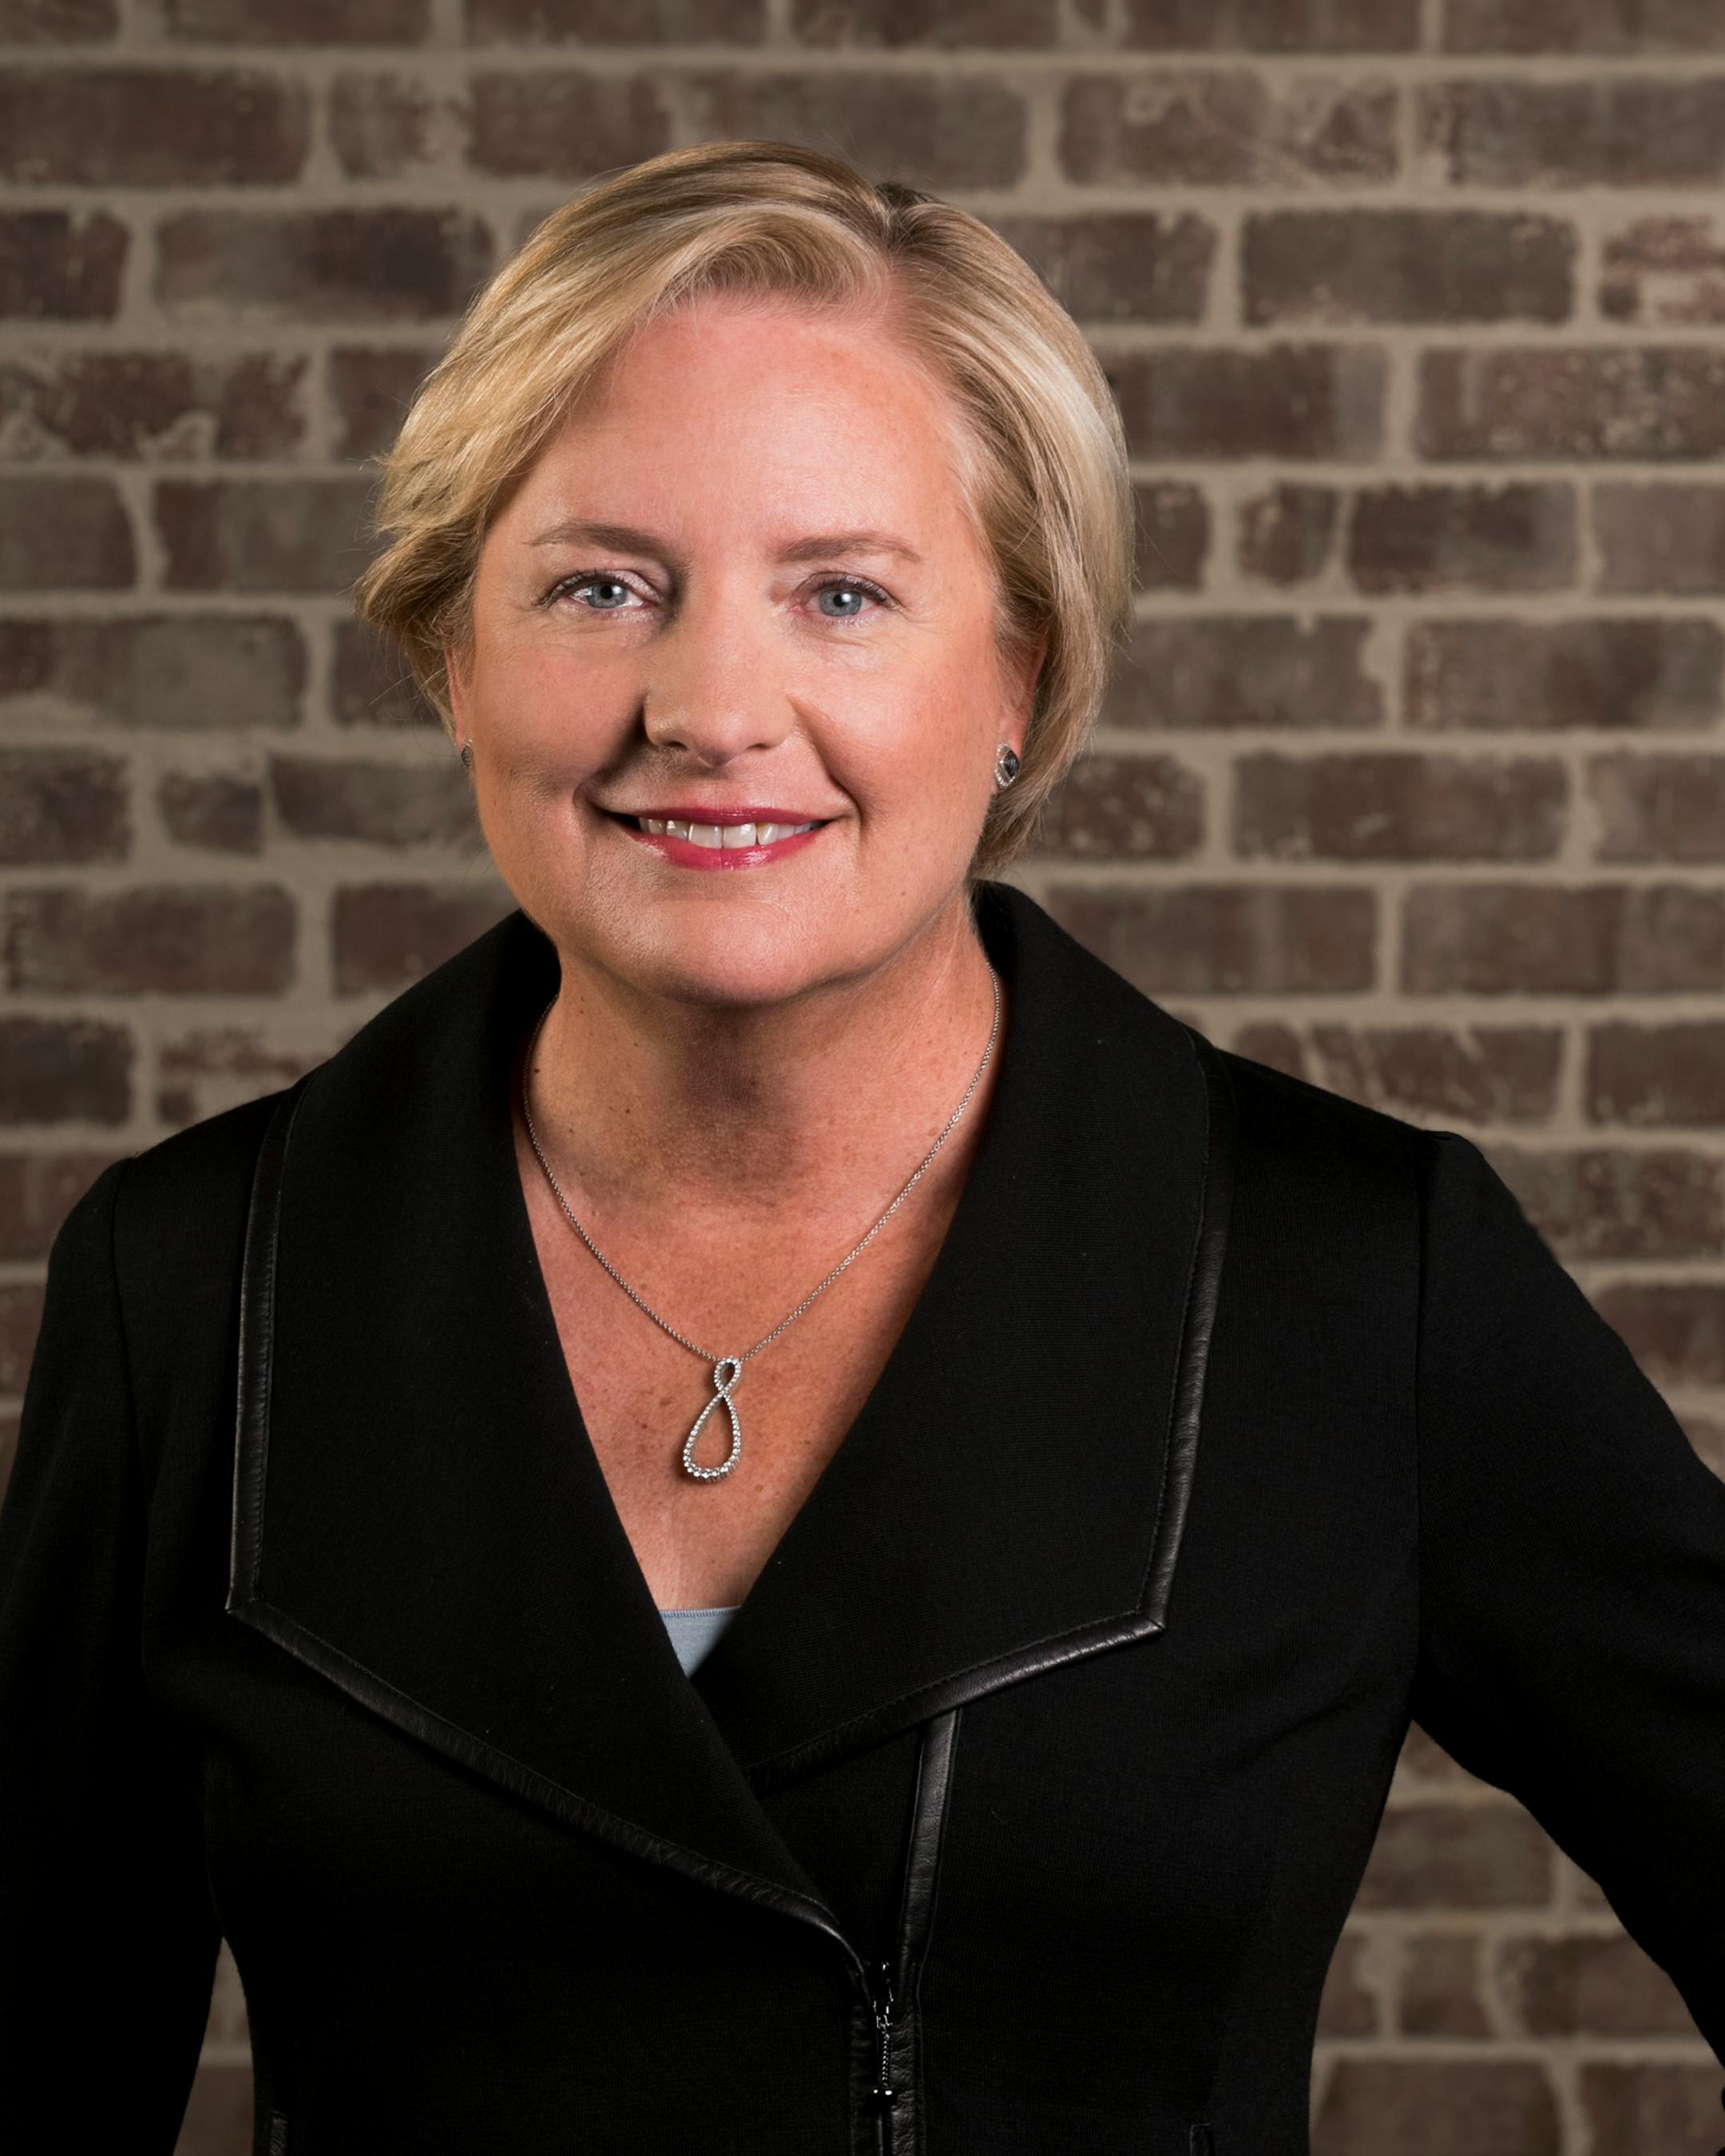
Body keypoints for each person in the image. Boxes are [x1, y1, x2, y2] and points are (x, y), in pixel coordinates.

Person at [2, 138, 1723, 2156]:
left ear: (1021, 675)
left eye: (842, 594)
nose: (711, 706)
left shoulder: (1357, 1283)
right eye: (601, 586)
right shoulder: (197, 1289)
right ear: (454, 654)